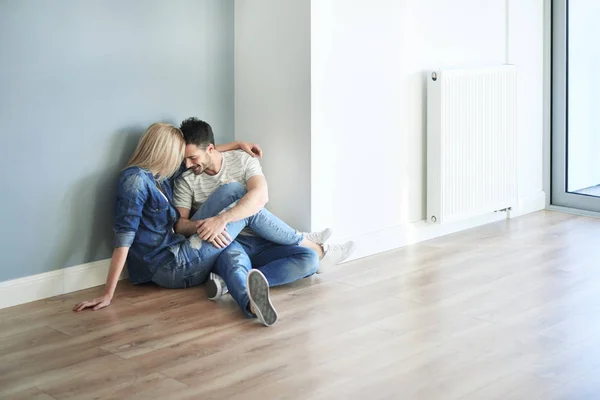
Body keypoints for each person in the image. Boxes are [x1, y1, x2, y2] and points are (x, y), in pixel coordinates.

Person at [73, 122, 330, 326]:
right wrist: (109, 293)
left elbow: (202, 153)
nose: (183, 163)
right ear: (163, 151)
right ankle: (311, 242)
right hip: (169, 265)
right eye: (178, 155)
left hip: (180, 252)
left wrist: (238, 144)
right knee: (246, 208)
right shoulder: (136, 181)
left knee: (234, 192)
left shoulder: (159, 176)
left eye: (188, 156)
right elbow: (124, 238)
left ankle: (251, 303)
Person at [173, 118, 355, 324]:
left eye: (192, 158)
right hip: (228, 242)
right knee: (235, 262)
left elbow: (260, 196)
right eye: (184, 159)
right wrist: (207, 224)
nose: (187, 164)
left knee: (308, 260)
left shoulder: (241, 159)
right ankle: (252, 303)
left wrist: (222, 218)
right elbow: (180, 225)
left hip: (262, 236)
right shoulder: (186, 180)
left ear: (211, 149)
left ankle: (231, 283)